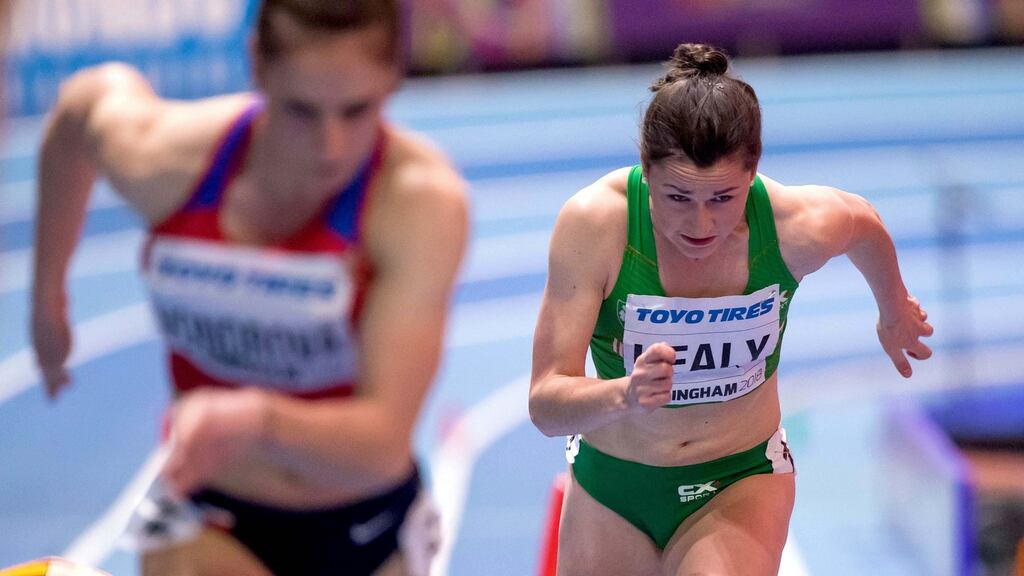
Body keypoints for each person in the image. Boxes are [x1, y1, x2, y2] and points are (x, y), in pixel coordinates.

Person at [30, 1, 468, 575]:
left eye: (357, 110)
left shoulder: (417, 205)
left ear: (392, 79)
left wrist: (252, 418)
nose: (330, 146)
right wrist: (46, 299)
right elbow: (78, 111)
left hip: (366, 519)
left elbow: (383, 440)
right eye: (300, 111)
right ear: (257, 65)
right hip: (210, 509)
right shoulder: (168, 161)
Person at [529, 43, 933, 576]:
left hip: (738, 479)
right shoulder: (595, 228)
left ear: (752, 172)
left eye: (722, 198)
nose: (700, 225)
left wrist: (894, 308)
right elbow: (544, 404)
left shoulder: (796, 226)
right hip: (612, 488)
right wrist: (621, 394)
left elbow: (865, 224)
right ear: (645, 171)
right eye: (676, 198)